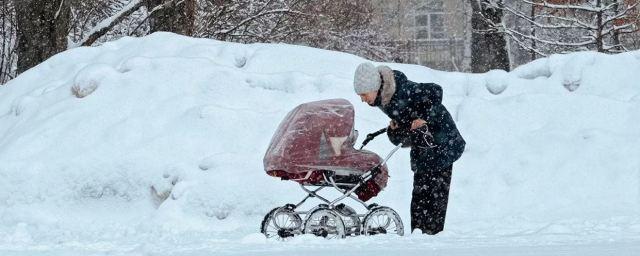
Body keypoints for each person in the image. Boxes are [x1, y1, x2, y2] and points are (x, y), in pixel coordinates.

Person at [353, 62, 466, 235]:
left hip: (443, 142)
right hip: (423, 147)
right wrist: (395, 129)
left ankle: (433, 238)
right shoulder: (384, 99)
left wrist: (424, 118)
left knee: (436, 195)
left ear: (374, 87)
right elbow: (406, 128)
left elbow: (436, 91)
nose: (362, 99)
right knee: (420, 195)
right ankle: (418, 235)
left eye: (363, 94)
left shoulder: (402, 90)